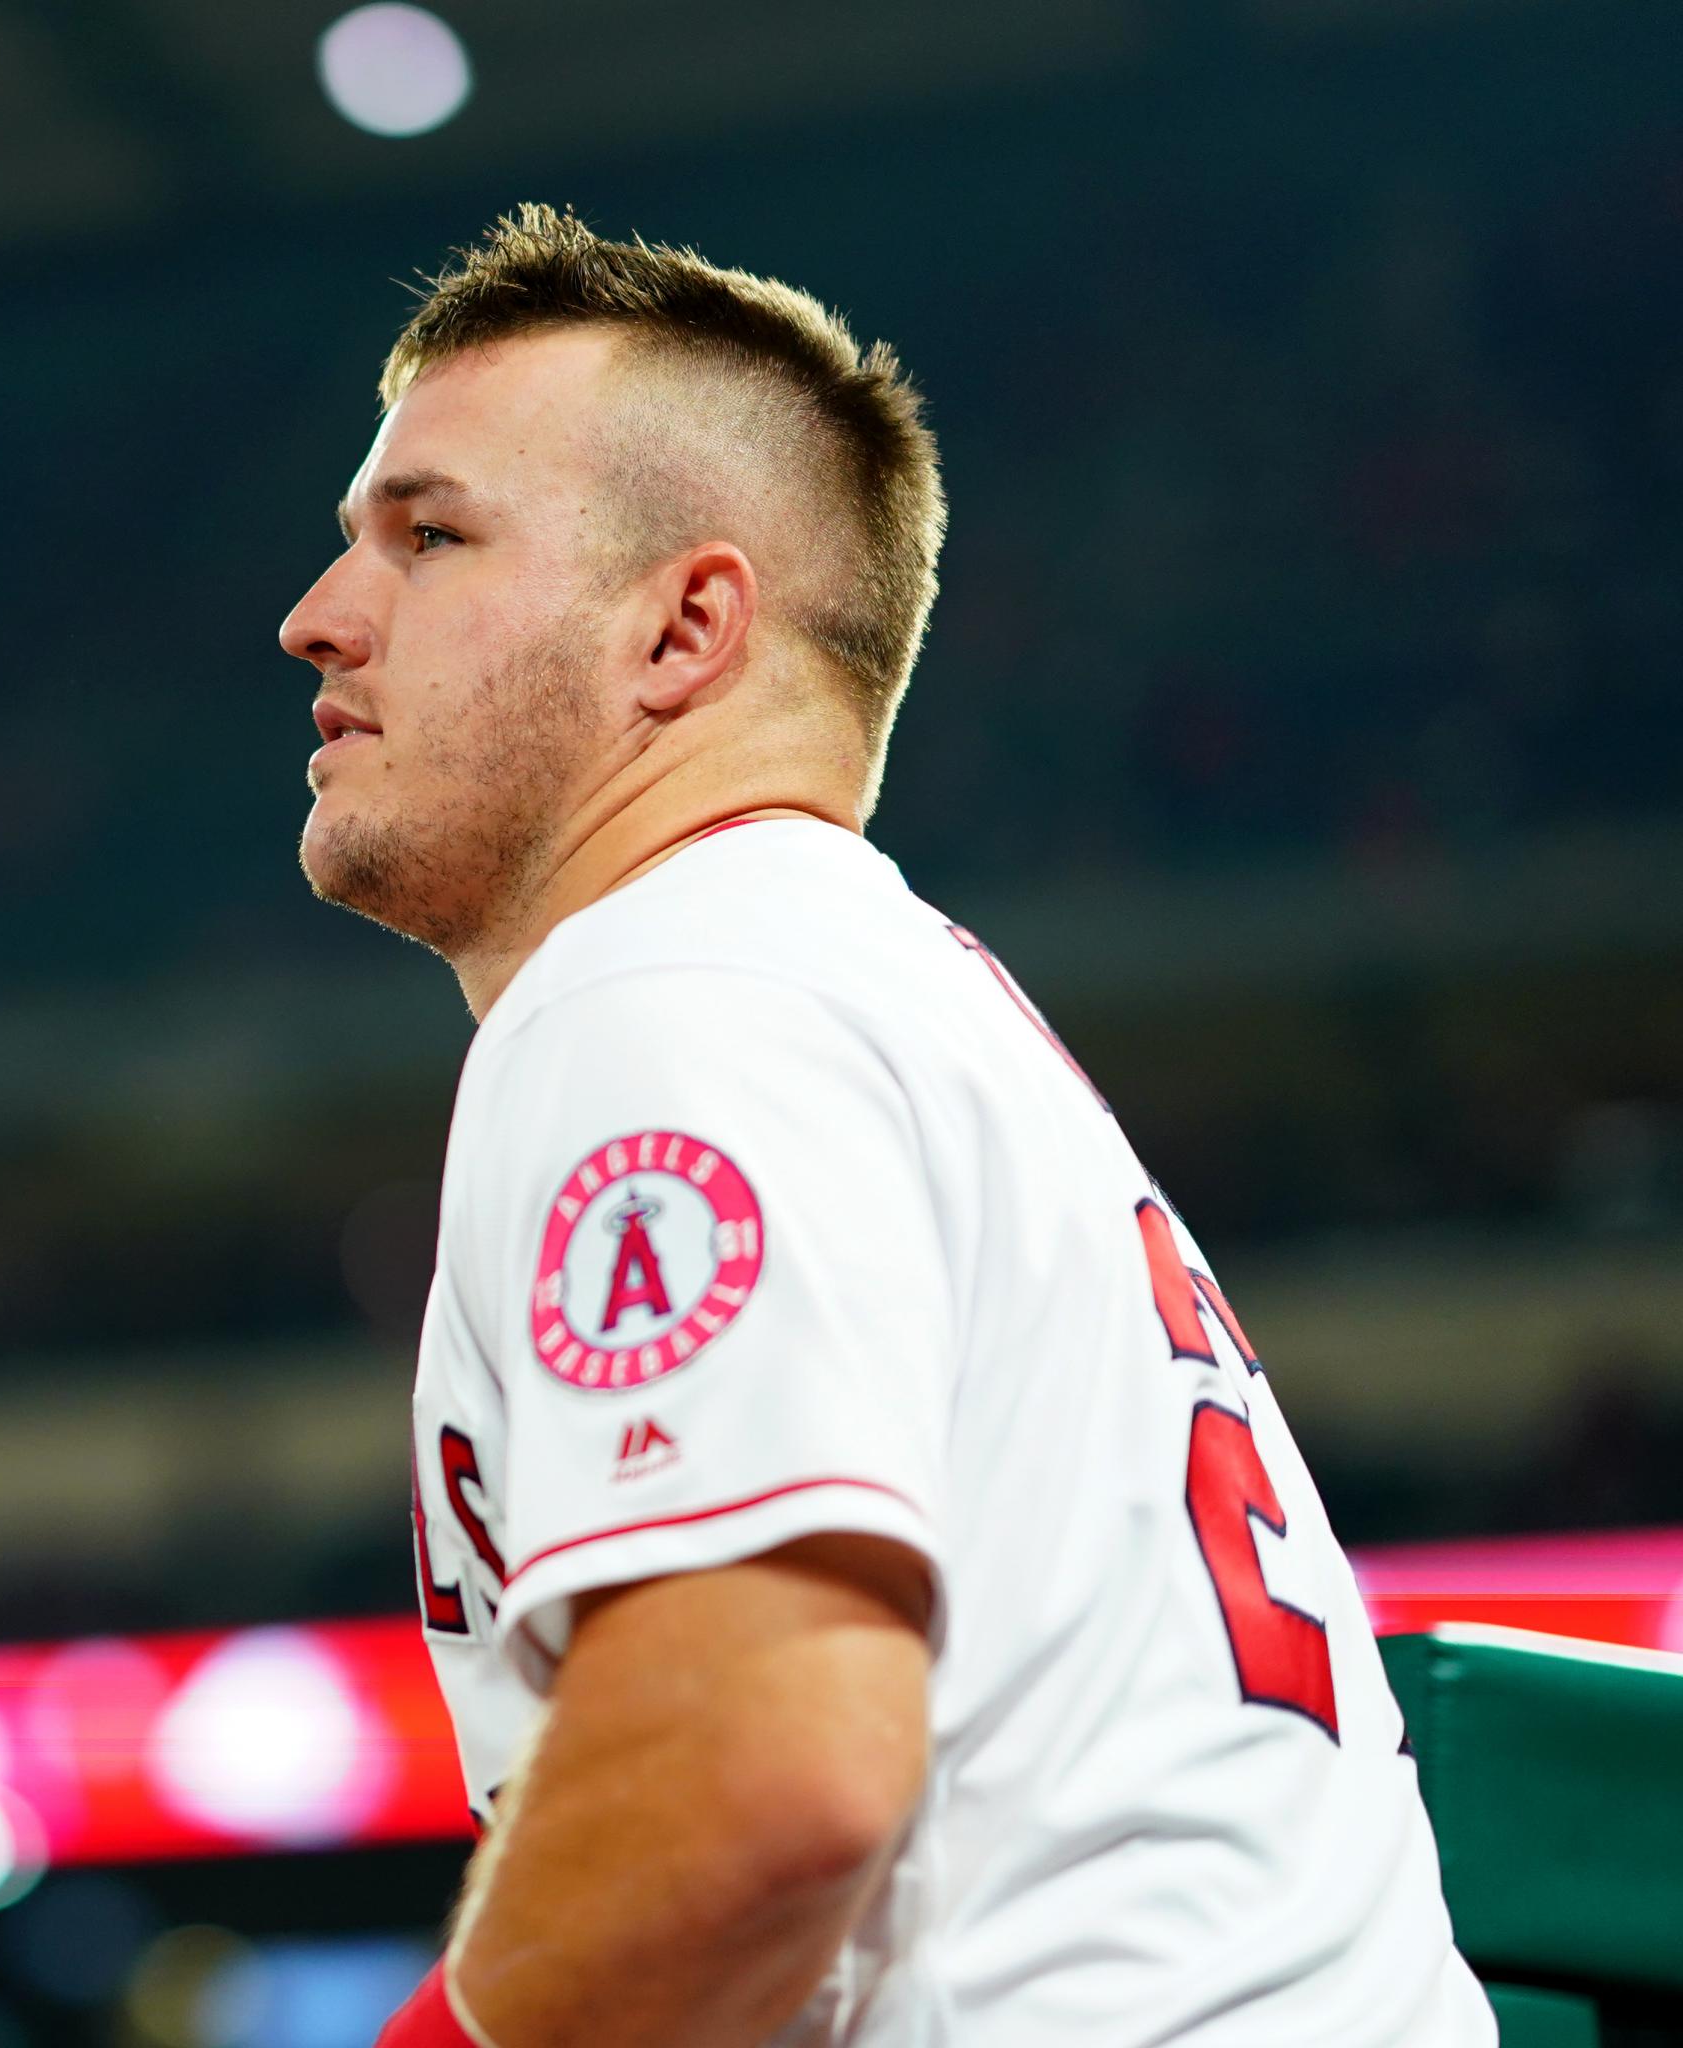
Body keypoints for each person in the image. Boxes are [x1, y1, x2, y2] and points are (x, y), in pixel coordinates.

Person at [279, 206, 1492, 2048]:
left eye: (429, 536)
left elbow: (755, 1775)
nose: (319, 615)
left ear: (686, 629)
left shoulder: (673, 990)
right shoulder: (861, 985)